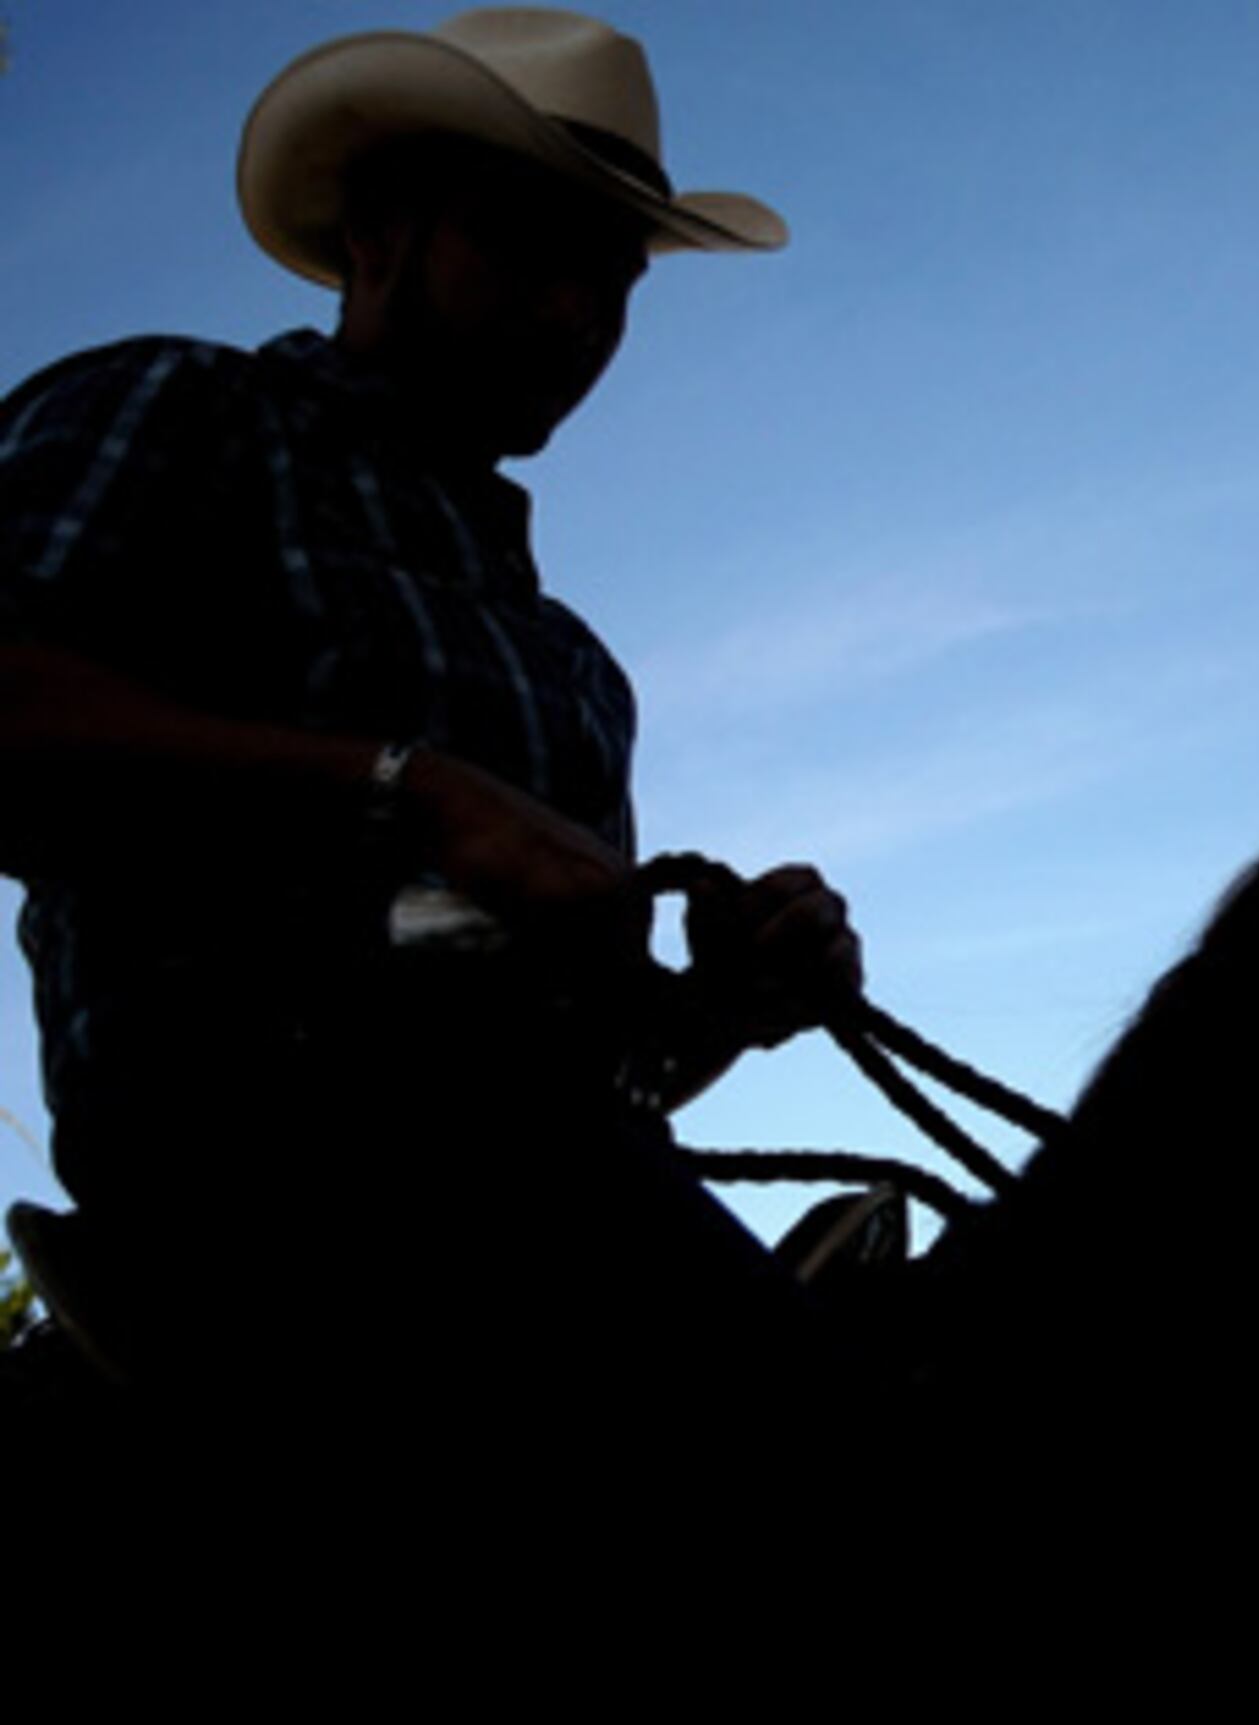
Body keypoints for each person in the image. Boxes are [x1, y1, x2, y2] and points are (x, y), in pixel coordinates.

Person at [0, 10, 863, 1484]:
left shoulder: (571, 662)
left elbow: (596, 1052)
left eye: (615, 271)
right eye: (535, 243)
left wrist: (726, 1005)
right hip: (245, 1167)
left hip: (567, 1187)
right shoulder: (183, 408)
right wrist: (402, 789)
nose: (582, 310)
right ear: (380, 233)